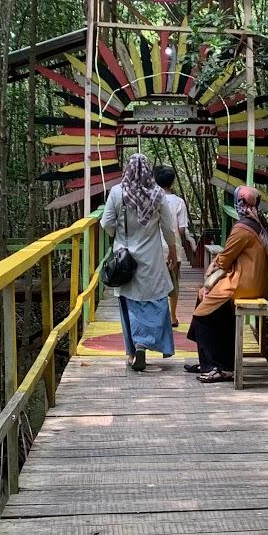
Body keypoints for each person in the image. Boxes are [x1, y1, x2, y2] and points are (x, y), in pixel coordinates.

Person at [186, 185, 268, 383]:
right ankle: (215, 361)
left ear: (240, 204)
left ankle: (216, 366)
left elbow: (225, 259)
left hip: (244, 283)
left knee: (202, 315)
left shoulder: (243, 228)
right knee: (204, 297)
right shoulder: (258, 223)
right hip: (256, 282)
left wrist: (211, 269)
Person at [101, 154, 178, 372]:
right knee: (156, 300)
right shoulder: (158, 195)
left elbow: (106, 222)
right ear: (147, 171)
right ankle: (145, 342)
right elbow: (167, 228)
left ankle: (133, 351)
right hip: (151, 257)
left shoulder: (117, 192)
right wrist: (172, 251)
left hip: (125, 257)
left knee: (129, 301)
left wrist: (118, 236)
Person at [153, 164, 196, 328]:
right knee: (173, 283)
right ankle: (172, 317)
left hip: (154, 247)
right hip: (174, 247)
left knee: (156, 282)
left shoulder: (153, 199)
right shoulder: (179, 202)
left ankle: (158, 317)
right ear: (173, 183)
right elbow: (181, 229)